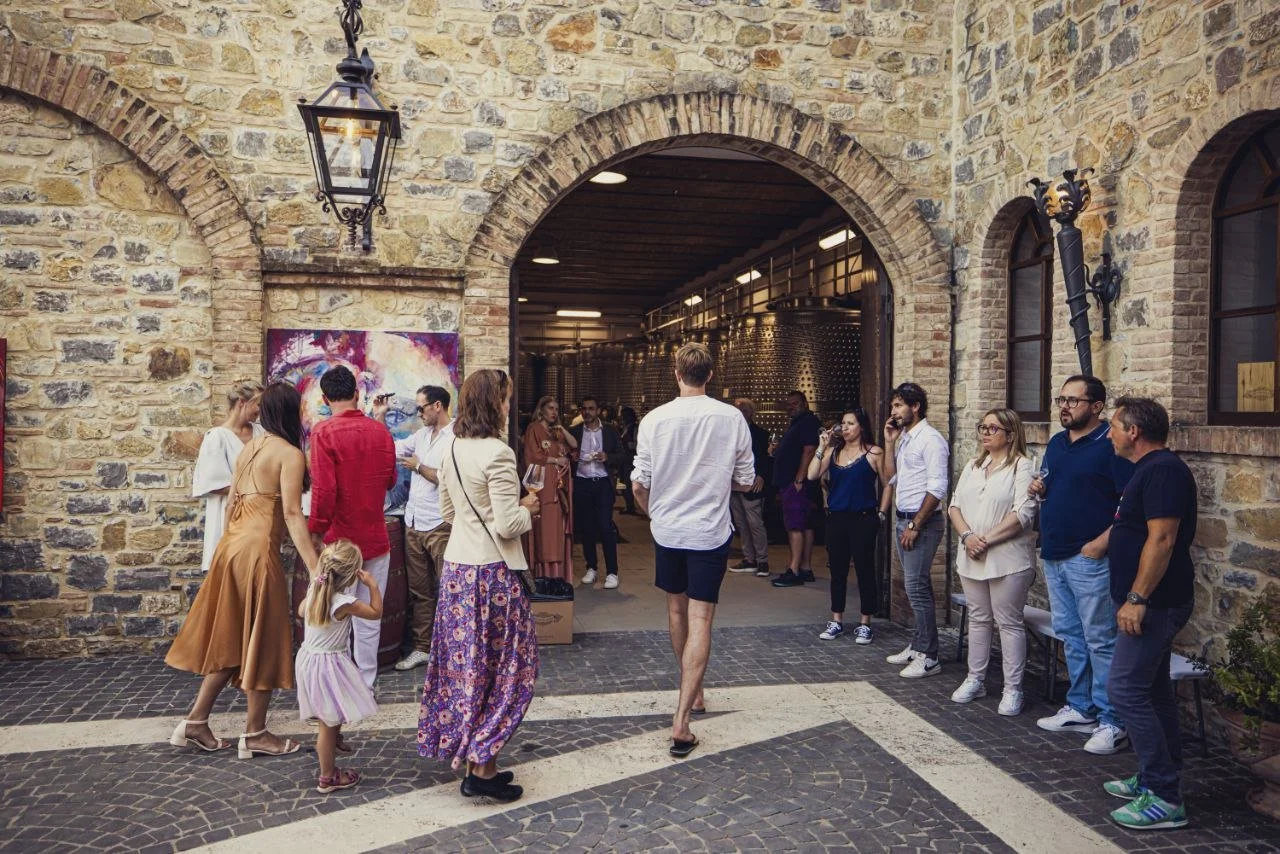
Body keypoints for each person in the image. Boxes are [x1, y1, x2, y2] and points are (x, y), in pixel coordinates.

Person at [165, 381, 316, 759]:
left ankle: (195, 721)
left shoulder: (249, 448)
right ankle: (256, 733)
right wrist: (316, 568)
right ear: (291, 413)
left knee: (233, 639)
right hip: (257, 551)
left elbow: (232, 503)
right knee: (263, 638)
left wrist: (232, 546)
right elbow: (292, 514)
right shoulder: (289, 454)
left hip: (231, 547)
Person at [418, 369, 541, 804]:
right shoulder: (499, 453)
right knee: (512, 670)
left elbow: (449, 513)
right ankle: (483, 764)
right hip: (492, 575)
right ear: (494, 404)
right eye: (505, 399)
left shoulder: (451, 447)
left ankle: (478, 761)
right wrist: (529, 508)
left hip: (458, 572)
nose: (509, 406)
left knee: (470, 668)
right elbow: (508, 525)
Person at [631, 343, 756, 759]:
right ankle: (683, 717)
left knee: (676, 611)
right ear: (710, 374)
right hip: (708, 532)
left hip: (668, 530)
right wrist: (715, 479)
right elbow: (746, 480)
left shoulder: (654, 419)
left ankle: (694, 691)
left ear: (676, 373)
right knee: (701, 617)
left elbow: (639, 483)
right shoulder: (731, 418)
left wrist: (654, 513)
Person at [1102, 397, 1196, 830]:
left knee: (1124, 690)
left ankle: (1165, 796)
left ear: (1133, 431)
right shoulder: (1150, 469)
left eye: (1114, 426)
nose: (1109, 434)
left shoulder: (1162, 470)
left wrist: (1137, 599)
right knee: (1153, 691)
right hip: (1147, 602)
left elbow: (1162, 539)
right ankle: (1157, 775)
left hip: (1155, 604)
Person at [1031, 375, 1135, 755]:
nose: (1064, 407)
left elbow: (1130, 502)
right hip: (1055, 554)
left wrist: (1100, 544)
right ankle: (1081, 708)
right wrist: (1040, 489)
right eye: (1061, 399)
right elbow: (1060, 486)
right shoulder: (1057, 443)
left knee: (1100, 640)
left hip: (1088, 558)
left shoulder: (1110, 445)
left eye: (1073, 401)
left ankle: (1113, 721)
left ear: (1096, 406)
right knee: (1072, 637)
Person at [308, 365, 397, 689]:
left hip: (339, 542)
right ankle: (365, 685)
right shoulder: (381, 433)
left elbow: (324, 490)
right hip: (375, 536)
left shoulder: (323, 433)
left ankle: (339, 684)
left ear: (325, 399)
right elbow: (391, 480)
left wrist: (316, 530)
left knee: (335, 614)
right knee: (370, 615)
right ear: (357, 395)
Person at [947, 408, 1038, 715]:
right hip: (971, 554)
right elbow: (954, 506)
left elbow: (1023, 513)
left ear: (1010, 435)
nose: (985, 433)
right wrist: (968, 537)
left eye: (993, 428)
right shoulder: (974, 465)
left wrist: (984, 540)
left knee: (1009, 623)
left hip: (1007, 558)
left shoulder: (1022, 467)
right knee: (978, 619)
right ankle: (975, 679)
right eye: (982, 427)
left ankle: (1013, 689)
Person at [374, 385, 453, 672]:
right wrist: (380, 416)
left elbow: (450, 479)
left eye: (421, 408)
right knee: (420, 592)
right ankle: (422, 648)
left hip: (440, 523)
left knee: (450, 589)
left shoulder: (455, 438)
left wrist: (419, 467)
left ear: (437, 406)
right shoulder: (421, 436)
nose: (418, 413)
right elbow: (389, 449)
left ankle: (451, 649)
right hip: (414, 522)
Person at [296, 539, 382, 794]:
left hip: (309, 659)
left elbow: (301, 611)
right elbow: (375, 613)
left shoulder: (316, 588)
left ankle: (335, 739)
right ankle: (328, 776)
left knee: (332, 713)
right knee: (327, 723)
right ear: (353, 574)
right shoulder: (345, 602)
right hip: (329, 665)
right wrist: (373, 586)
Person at [806, 408, 892, 643]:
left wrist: (882, 514)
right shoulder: (833, 452)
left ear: (861, 427)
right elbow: (812, 475)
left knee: (864, 569)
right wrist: (821, 446)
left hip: (864, 518)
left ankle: (865, 622)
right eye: (843, 423)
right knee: (837, 570)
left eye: (850, 423)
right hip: (837, 518)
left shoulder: (874, 453)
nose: (844, 427)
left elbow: (888, 483)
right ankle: (836, 620)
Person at [883, 381, 949, 678]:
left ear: (916, 406)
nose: (894, 411)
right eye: (893, 406)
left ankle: (929, 656)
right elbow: (889, 478)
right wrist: (889, 443)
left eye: (899, 405)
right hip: (904, 519)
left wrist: (914, 525)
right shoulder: (906, 439)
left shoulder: (931, 440)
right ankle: (918, 644)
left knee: (917, 588)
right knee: (915, 587)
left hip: (922, 522)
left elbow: (937, 488)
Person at [192, 380, 264, 574]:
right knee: (228, 572)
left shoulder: (261, 432)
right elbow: (212, 483)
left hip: (259, 515)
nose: (260, 410)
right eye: (258, 404)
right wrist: (256, 487)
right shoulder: (217, 437)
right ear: (242, 402)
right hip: (226, 512)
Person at [569, 395, 624, 589]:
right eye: (584, 409)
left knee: (605, 526)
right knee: (586, 528)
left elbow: (622, 455)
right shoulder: (574, 431)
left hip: (603, 484)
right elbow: (566, 454)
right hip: (582, 483)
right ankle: (591, 568)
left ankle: (612, 572)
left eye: (591, 408)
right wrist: (572, 457)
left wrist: (607, 457)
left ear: (598, 410)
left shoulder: (609, 431)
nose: (587, 412)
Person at [520, 396, 577, 580]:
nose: (554, 412)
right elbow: (532, 456)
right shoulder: (534, 429)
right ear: (541, 410)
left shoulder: (556, 432)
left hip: (557, 489)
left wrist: (563, 430)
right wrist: (555, 460)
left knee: (555, 530)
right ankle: (541, 575)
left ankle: (557, 575)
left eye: (556, 409)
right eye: (550, 408)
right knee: (543, 528)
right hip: (542, 488)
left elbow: (574, 446)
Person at [770, 390, 821, 587]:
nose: (791, 407)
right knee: (805, 524)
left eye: (795, 403)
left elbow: (809, 450)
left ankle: (794, 570)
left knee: (795, 525)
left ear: (804, 403)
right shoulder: (799, 422)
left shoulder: (807, 421)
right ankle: (805, 568)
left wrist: (799, 478)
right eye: (788, 404)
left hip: (796, 483)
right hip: (796, 482)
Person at [729, 398, 771, 576]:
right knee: (741, 524)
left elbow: (765, 458)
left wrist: (761, 475)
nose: (740, 413)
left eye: (744, 410)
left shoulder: (760, 434)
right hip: (733, 485)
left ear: (751, 413)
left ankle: (762, 561)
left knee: (755, 523)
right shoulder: (729, 434)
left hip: (752, 485)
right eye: (738, 410)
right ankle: (749, 559)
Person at [618, 406, 640, 515]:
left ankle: (630, 506)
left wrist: (625, 443)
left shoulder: (635, 428)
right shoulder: (625, 427)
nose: (622, 418)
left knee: (627, 483)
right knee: (622, 483)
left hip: (630, 459)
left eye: (624, 416)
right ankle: (628, 505)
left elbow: (637, 444)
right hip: (624, 459)